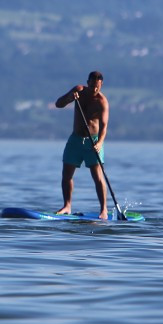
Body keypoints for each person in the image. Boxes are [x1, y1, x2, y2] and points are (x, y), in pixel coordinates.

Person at [55, 71, 109, 219]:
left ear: (101, 85)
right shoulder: (78, 90)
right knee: (66, 174)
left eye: (97, 87)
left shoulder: (102, 102)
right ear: (87, 82)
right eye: (91, 86)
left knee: (97, 176)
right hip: (76, 140)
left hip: (94, 141)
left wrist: (99, 143)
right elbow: (58, 104)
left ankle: (103, 210)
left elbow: (104, 127)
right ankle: (67, 205)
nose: (94, 90)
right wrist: (69, 98)